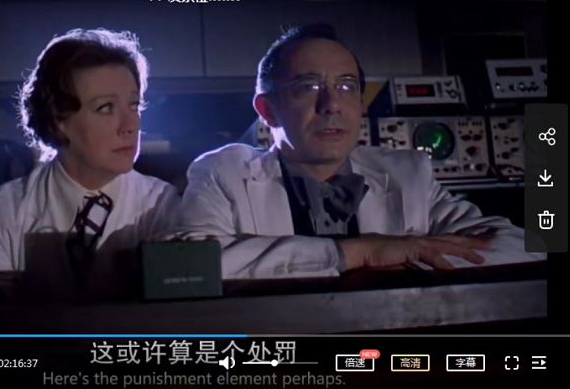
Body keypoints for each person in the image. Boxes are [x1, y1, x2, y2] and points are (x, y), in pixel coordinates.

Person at [175, 23, 546, 279]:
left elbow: (525, 246)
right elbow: (186, 267)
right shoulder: (223, 173)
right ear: (268, 110)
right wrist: (358, 253)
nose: (332, 105)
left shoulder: (406, 174)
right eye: (308, 87)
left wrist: (409, 261)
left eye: (347, 87)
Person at [0, 29, 180, 293]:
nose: (130, 125)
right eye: (106, 108)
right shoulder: (5, 209)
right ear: (59, 120)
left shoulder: (161, 203)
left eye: (134, 105)